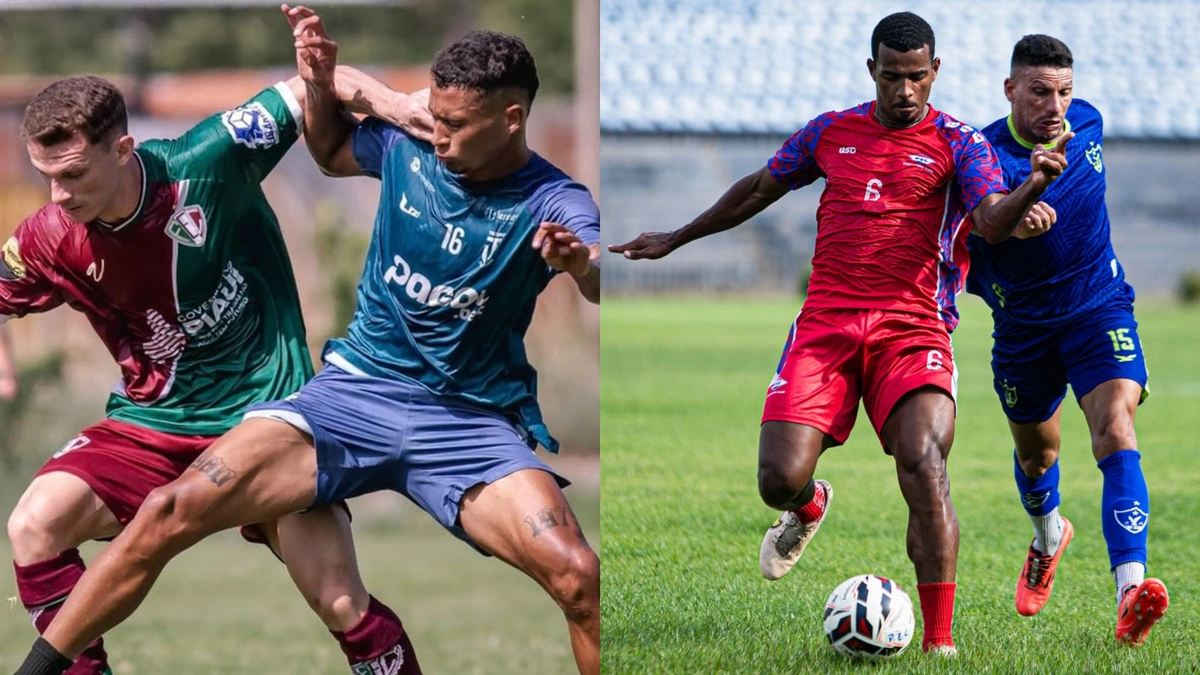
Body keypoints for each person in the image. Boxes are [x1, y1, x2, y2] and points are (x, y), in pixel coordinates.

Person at [14, 5, 602, 675]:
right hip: (338, 395)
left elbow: (600, 261)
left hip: (440, 414)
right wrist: (326, 81)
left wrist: (583, 264)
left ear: (511, 119)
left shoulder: (553, 196)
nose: (437, 133)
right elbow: (327, 144)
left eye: (456, 123)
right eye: (433, 116)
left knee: (574, 575)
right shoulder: (411, 147)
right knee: (129, 514)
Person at [610, 12, 1065, 655]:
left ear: (934, 72)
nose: (904, 92)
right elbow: (759, 188)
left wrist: (1036, 184)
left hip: (915, 328)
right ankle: (807, 504)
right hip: (826, 324)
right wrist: (675, 236)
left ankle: (940, 643)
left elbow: (991, 221)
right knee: (776, 478)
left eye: (916, 78)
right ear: (871, 70)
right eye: (891, 77)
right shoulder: (830, 132)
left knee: (924, 463)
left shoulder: (962, 144)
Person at [4, 65, 435, 674]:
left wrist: (402, 110)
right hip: (153, 423)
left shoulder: (208, 158)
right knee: (34, 524)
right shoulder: (51, 236)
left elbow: (315, 81)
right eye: (46, 177)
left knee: (339, 599)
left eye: (73, 174)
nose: (59, 196)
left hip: (270, 418)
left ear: (123, 149)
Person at [966, 34, 1168, 645]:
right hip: (1023, 327)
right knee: (1038, 457)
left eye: (1063, 91)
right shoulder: (982, 155)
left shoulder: (1088, 124)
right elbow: (982, 224)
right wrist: (1015, 212)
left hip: (1097, 307)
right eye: (1039, 91)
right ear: (1010, 90)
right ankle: (1049, 533)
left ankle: (1131, 590)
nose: (1055, 105)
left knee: (1114, 425)